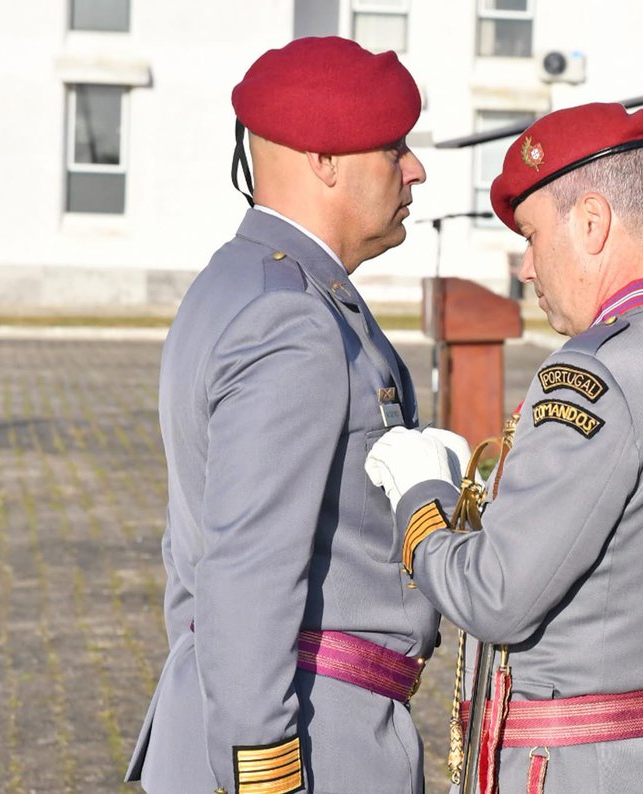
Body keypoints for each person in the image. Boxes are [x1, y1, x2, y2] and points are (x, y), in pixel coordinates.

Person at [365, 103, 643, 793]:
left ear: (591, 222)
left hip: (574, 765)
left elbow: (494, 595)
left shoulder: (590, 376)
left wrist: (420, 497)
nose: (526, 267)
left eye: (531, 236)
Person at [125, 36, 444, 794]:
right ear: (325, 160)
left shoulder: (237, 287)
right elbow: (243, 575)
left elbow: (192, 560)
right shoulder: (293, 321)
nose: (417, 169)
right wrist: (260, 772)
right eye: (394, 148)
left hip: (257, 711)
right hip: (310, 737)